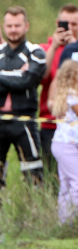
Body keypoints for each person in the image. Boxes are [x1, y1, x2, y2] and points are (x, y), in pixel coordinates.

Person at [0, 6, 46, 185]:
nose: (13, 30)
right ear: (4, 27)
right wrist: (16, 79)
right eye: (9, 26)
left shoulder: (36, 52)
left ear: (26, 26)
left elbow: (27, 80)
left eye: (17, 25)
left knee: (34, 176)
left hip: (25, 120)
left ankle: (33, 205)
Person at [40, 4, 78, 166]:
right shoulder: (45, 48)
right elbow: (42, 77)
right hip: (50, 121)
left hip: (74, 124)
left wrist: (74, 47)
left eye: (74, 24)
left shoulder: (75, 49)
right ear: (57, 23)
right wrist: (54, 47)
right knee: (52, 174)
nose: (69, 28)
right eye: (65, 24)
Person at [49, 60, 78, 224]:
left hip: (61, 143)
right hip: (69, 144)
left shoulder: (62, 95)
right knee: (76, 182)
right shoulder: (73, 95)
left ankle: (65, 221)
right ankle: (73, 218)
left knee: (66, 184)